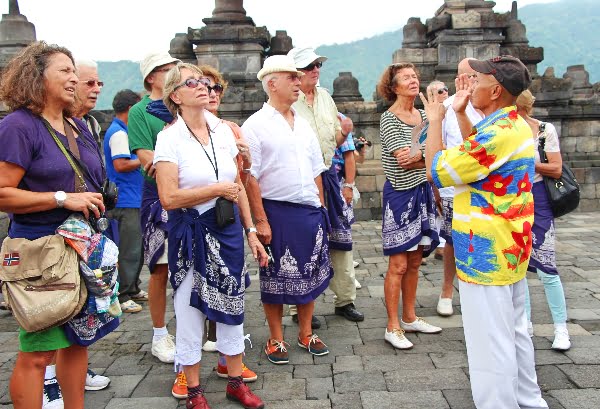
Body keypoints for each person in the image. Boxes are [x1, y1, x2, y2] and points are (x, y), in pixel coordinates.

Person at [424, 55, 548, 408]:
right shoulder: (514, 125)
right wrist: (462, 114)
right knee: (515, 329)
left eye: (475, 80)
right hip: (511, 243)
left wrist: (437, 119)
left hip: (486, 250)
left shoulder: (498, 134)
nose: (469, 85)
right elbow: (479, 156)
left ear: (495, 90)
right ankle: (528, 398)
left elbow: (438, 169)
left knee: (489, 340)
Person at [153, 63, 266, 409]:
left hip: (228, 229)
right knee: (190, 310)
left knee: (233, 304)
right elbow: (168, 198)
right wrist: (214, 189)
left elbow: (239, 188)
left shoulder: (223, 131)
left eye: (205, 82)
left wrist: (251, 231)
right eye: (193, 83)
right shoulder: (168, 138)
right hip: (191, 232)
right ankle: (194, 390)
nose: (204, 87)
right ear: (176, 95)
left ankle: (235, 381)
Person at [0, 41, 105, 409]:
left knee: (78, 342)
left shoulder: (76, 124)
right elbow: (2, 192)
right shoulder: (18, 126)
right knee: (39, 352)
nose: (74, 78)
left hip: (82, 249)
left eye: (75, 71)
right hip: (41, 254)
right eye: (64, 71)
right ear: (36, 76)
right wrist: (61, 198)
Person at [243, 55, 332, 365]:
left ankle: (306, 332)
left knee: (307, 274)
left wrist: (321, 207)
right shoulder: (254, 125)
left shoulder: (304, 123)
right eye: (291, 77)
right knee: (275, 278)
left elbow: (316, 169)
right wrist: (260, 220)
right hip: (276, 211)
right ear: (272, 83)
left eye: (299, 77)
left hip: (309, 210)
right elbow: (249, 176)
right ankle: (276, 337)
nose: (299, 82)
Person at [288, 47, 364, 323]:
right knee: (304, 242)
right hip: (300, 179)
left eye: (317, 64)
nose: (315, 70)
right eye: (309, 66)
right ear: (295, 72)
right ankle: (300, 305)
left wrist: (343, 133)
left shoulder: (326, 99)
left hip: (329, 175)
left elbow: (335, 141)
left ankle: (345, 299)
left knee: (341, 240)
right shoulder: (289, 102)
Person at [196, 64, 258, 383]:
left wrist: (252, 230)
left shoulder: (230, 129)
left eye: (217, 88)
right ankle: (186, 368)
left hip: (227, 216)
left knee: (231, 288)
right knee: (192, 294)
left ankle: (228, 358)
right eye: (205, 87)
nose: (212, 94)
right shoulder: (177, 132)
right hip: (193, 219)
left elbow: (240, 182)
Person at [376, 62, 442, 351]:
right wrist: (431, 155)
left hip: (424, 190)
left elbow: (433, 153)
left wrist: (427, 155)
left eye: (415, 76)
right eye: (406, 78)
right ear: (394, 88)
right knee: (399, 263)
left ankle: (410, 316)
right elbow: (405, 159)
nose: (413, 81)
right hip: (401, 194)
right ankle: (392, 325)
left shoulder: (425, 115)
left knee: (416, 260)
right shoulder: (389, 119)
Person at [128, 52, 180, 370]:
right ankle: (160, 333)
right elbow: (147, 158)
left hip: (191, 196)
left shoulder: (185, 106)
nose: (174, 72)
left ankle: (199, 327)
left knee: (194, 266)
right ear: (152, 77)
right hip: (158, 198)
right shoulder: (140, 112)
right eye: (167, 69)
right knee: (160, 268)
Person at [516, 89, 571, 351]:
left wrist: (527, 163)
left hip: (538, 196)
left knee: (547, 265)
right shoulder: (503, 130)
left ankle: (561, 327)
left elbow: (556, 168)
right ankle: (525, 323)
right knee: (519, 266)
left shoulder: (543, 130)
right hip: (513, 197)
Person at [435, 59, 484, 317]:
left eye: (477, 76)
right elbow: (437, 147)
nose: (473, 81)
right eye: (468, 76)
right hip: (455, 187)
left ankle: (475, 289)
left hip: (486, 187)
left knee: (481, 239)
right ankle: (446, 290)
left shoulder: (487, 105)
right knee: (453, 241)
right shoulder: (446, 107)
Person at [104, 89, 146, 314]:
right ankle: (124, 293)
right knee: (128, 249)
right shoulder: (119, 133)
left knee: (135, 247)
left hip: (131, 197)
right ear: (131, 109)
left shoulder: (122, 130)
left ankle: (133, 287)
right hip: (126, 199)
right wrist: (145, 158)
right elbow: (120, 164)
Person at [72, 59, 103, 152]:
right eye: (90, 83)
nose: (98, 90)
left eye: (99, 84)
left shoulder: (92, 124)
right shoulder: (55, 123)